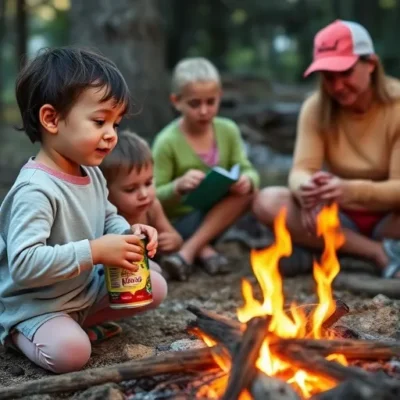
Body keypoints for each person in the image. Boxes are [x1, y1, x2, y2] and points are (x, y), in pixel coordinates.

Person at [0, 47, 168, 373]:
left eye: (116, 124)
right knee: (72, 354)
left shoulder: (90, 171)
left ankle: (77, 325)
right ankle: (15, 332)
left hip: (81, 290)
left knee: (154, 285)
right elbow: (24, 264)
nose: (111, 135)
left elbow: (106, 216)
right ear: (51, 119)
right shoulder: (35, 190)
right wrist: (94, 251)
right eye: (99, 121)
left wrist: (127, 235)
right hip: (37, 304)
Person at [253, 19, 400, 278]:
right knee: (267, 201)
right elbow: (301, 170)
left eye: (345, 73)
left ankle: (324, 253)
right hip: (338, 217)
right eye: (329, 77)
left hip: (390, 220)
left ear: (371, 64)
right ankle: (377, 253)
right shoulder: (315, 107)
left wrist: (346, 190)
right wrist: (308, 192)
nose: (337, 86)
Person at [152, 57, 260, 281]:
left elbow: (249, 170)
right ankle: (199, 250)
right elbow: (153, 196)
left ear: (220, 96)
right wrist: (177, 187)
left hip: (216, 217)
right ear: (176, 101)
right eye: (194, 104)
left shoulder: (228, 131)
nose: (204, 111)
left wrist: (246, 180)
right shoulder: (167, 142)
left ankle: (188, 252)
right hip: (177, 224)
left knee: (248, 193)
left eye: (210, 102)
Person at [100, 130, 183, 256]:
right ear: (105, 190)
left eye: (148, 183)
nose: (144, 194)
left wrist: (174, 241)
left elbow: (175, 236)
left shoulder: (152, 206)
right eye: (130, 189)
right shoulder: (106, 219)